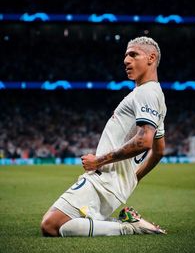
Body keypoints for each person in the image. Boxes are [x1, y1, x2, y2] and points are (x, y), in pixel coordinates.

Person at [41, 36, 167, 237]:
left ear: (151, 58)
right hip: (115, 183)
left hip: (105, 178)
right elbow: (159, 151)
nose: (126, 60)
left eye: (133, 54)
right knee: (64, 225)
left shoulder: (146, 93)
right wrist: (134, 178)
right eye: (126, 55)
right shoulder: (156, 95)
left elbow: (145, 141)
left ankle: (130, 227)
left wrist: (98, 160)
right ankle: (126, 223)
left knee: (51, 225)